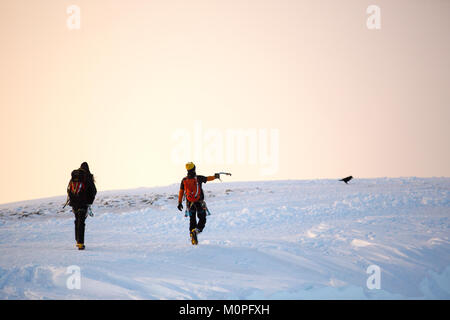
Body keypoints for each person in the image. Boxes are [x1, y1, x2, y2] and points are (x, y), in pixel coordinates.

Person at [177, 162, 220, 245]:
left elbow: (181, 192)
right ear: (194, 169)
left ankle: (192, 236)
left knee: (192, 220)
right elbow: (208, 178)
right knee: (202, 218)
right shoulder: (199, 178)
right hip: (199, 203)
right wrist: (215, 177)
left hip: (190, 204)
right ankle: (196, 231)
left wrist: (179, 202)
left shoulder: (184, 180)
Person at [67, 162, 97, 250]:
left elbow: (68, 189)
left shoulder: (74, 177)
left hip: (74, 202)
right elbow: (93, 191)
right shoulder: (87, 177)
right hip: (83, 203)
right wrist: (89, 202)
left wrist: (72, 200)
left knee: (77, 220)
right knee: (81, 222)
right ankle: (80, 243)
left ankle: (77, 240)